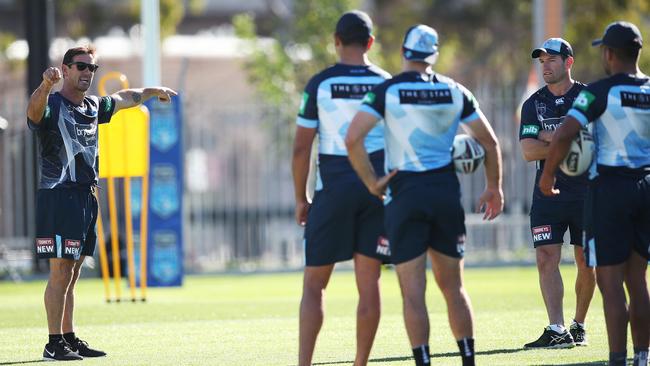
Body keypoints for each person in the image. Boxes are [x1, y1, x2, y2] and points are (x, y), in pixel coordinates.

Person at [346, 24, 503, 366]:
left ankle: (424, 362)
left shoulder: (387, 90)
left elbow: (352, 138)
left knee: (413, 293)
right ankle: (468, 360)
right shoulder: (455, 90)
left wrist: (372, 182)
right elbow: (489, 142)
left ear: (403, 52)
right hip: (445, 194)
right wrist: (494, 188)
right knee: (454, 289)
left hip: (405, 197)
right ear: (433, 55)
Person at [26, 45, 177, 361]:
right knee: (60, 272)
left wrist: (154, 91)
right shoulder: (53, 103)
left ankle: (68, 337)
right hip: (58, 196)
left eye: (91, 68)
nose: (86, 73)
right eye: (80, 66)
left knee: (74, 271)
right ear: (65, 69)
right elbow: (33, 114)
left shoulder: (93, 106)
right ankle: (53, 343)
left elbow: (125, 98)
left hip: (85, 196)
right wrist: (45, 85)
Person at [539, 21, 649, 366]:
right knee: (639, 280)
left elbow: (563, 136)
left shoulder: (598, 92)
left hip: (609, 191)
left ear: (609, 53)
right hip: (645, 188)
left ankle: (618, 358)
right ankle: (643, 356)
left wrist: (547, 176)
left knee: (611, 281)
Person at [291, 11, 391, 366]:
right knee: (369, 283)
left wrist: (301, 198)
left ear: (336, 40)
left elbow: (302, 147)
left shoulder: (320, 83)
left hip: (332, 188)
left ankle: (305, 363)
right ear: (370, 43)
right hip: (376, 189)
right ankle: (360, 363)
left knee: (314, 285)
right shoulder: (386, 82)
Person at [519, 37, 596, 349]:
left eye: (552, 59)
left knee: (585, 261)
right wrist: (567, 137)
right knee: (545, 256)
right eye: (542, 60)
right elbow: (527, 151)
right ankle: (556, 328)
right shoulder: (532, 104)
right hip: (547, 192)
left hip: (588, 192)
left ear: (568, 62)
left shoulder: (588, 98)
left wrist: (548, 136)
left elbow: (597, 142)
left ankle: (579, 325)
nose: (545, 65)